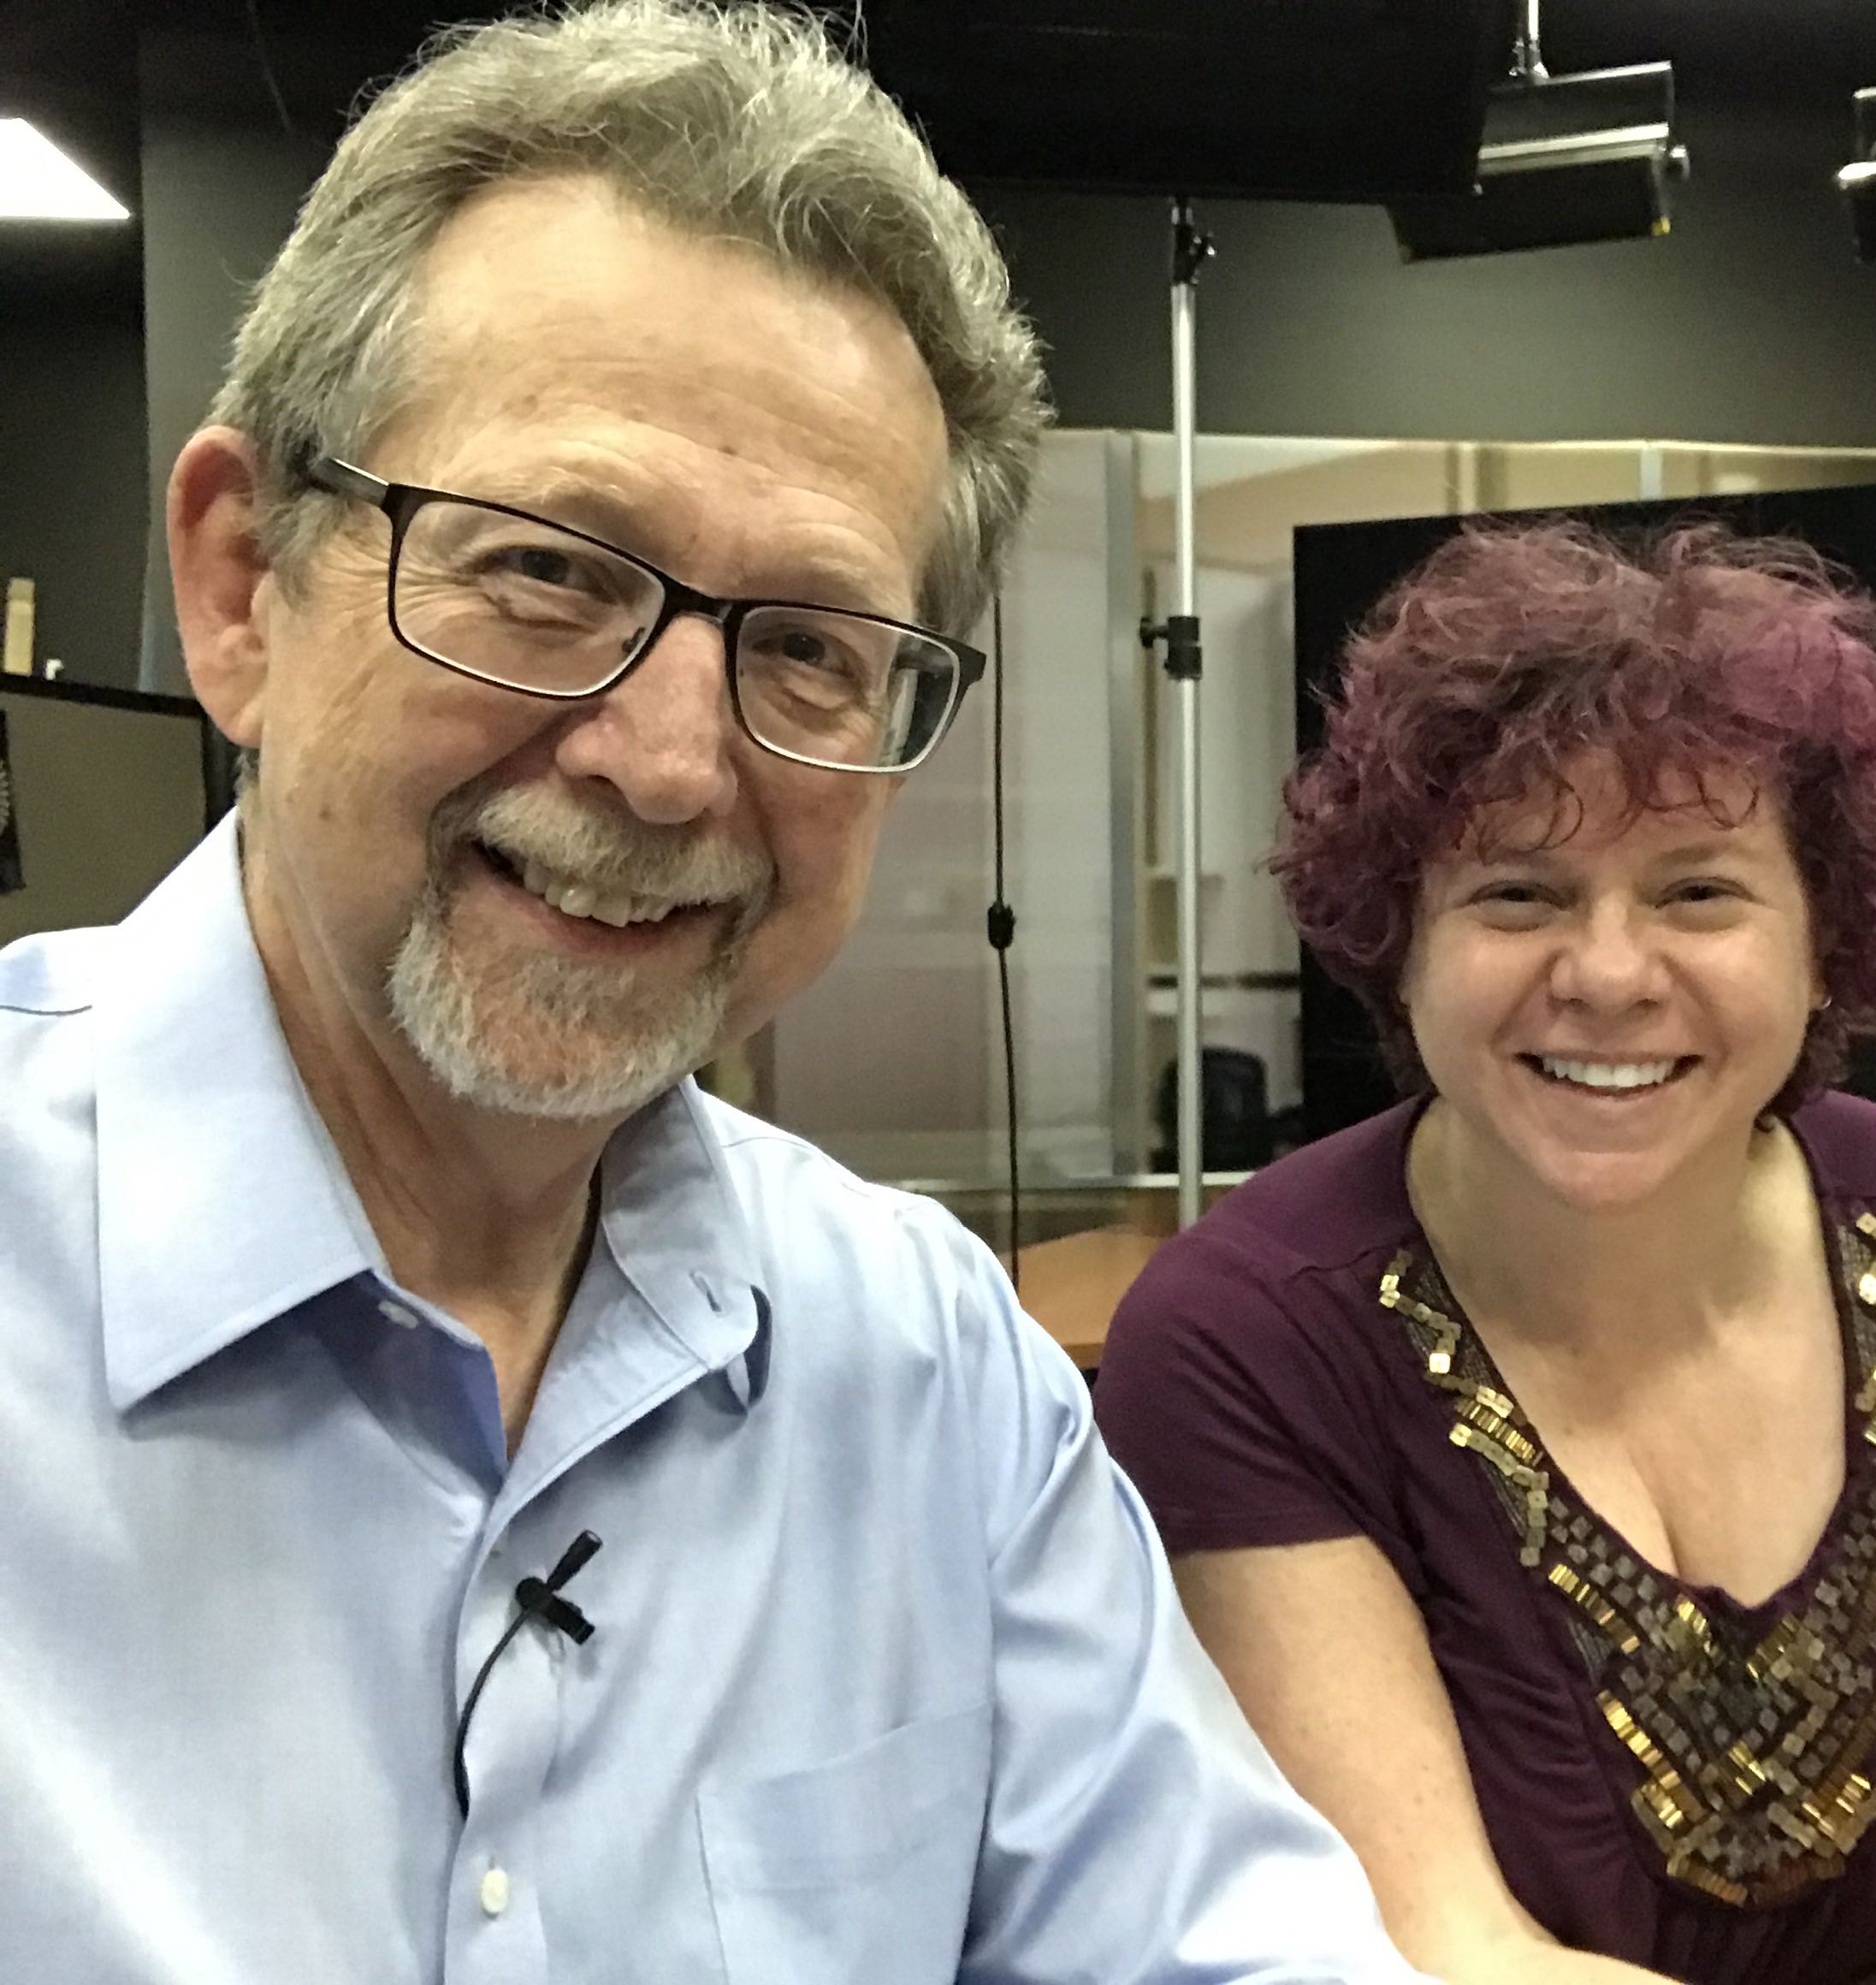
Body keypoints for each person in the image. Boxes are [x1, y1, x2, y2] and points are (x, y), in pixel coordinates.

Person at [0, 5, 1424, 1979]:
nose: (671, 765)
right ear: (243, 585)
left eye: (813, 650)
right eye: (553, 571)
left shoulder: (932, 1382)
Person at [1094, 521, 1876, 1985]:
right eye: (1515, 893)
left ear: (1825, 940)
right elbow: (1441, 1948)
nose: (1604, 974)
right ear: (1399, 943)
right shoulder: (1247, 1339)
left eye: (1698, 891)